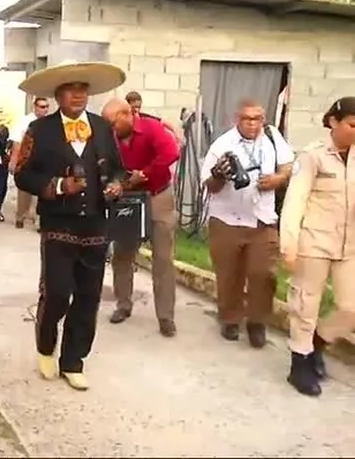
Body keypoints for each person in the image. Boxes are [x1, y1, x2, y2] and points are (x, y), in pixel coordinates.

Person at [14, 60, 125, 390]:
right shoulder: (40, 130)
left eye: (82, 89)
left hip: (95, 224)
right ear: (58, 94)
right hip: (58, 224)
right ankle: (46, 345)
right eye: (70, 89)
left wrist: (117, 184)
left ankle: (74, 360)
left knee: (89, 295)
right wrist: (59, 187)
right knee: (58, 292)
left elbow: (118, 168)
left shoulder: (102, 128)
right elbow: (22, 174)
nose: (77, 95)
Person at [199, 98, 293, 347]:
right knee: (229, 274)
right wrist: (219, 175)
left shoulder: (272, 137)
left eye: (257, 118)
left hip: (262, 219)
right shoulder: (222, 145)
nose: (253, 124)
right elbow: (209, 186)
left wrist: (278, 178)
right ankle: (230, 318)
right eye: (247, 119)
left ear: (264, 119)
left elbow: (288, 166)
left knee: (264, 274)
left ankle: (257, 321)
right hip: (226, 220)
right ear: (236, 119)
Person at [280, 96, 355, 397]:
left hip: (350, 246)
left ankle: (317, 346)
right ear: (334, 123)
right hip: (314, 242)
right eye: (352, 125)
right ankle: (298, 364)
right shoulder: (312, 156)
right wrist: (289, 244)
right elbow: (295, 200)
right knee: (305, 304)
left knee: (351, 308)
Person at [101, 98, 181, 336]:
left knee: (163, 259)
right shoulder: (110, 138)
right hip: (128, 198)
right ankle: (123, 305)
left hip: (158, 197)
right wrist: (114, 184)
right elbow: (105, 166)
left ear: (127, 114)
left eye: (113, 123)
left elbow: (172, 152)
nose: (110, 129)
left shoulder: (151, 128)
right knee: (122, 255)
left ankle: (166, 317)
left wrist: (144, 174)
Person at [9, 97, 51, 229]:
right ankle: (21, 216)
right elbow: (17, 142)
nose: (44, 110)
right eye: (41, 107)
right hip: (26, 160)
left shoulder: (50, 122)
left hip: (44, 161)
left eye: (46, 107)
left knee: (44, 189)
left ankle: (39, 221)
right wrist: (14, 160)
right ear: (35, 107)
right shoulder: (25, 121)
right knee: (24, 190)